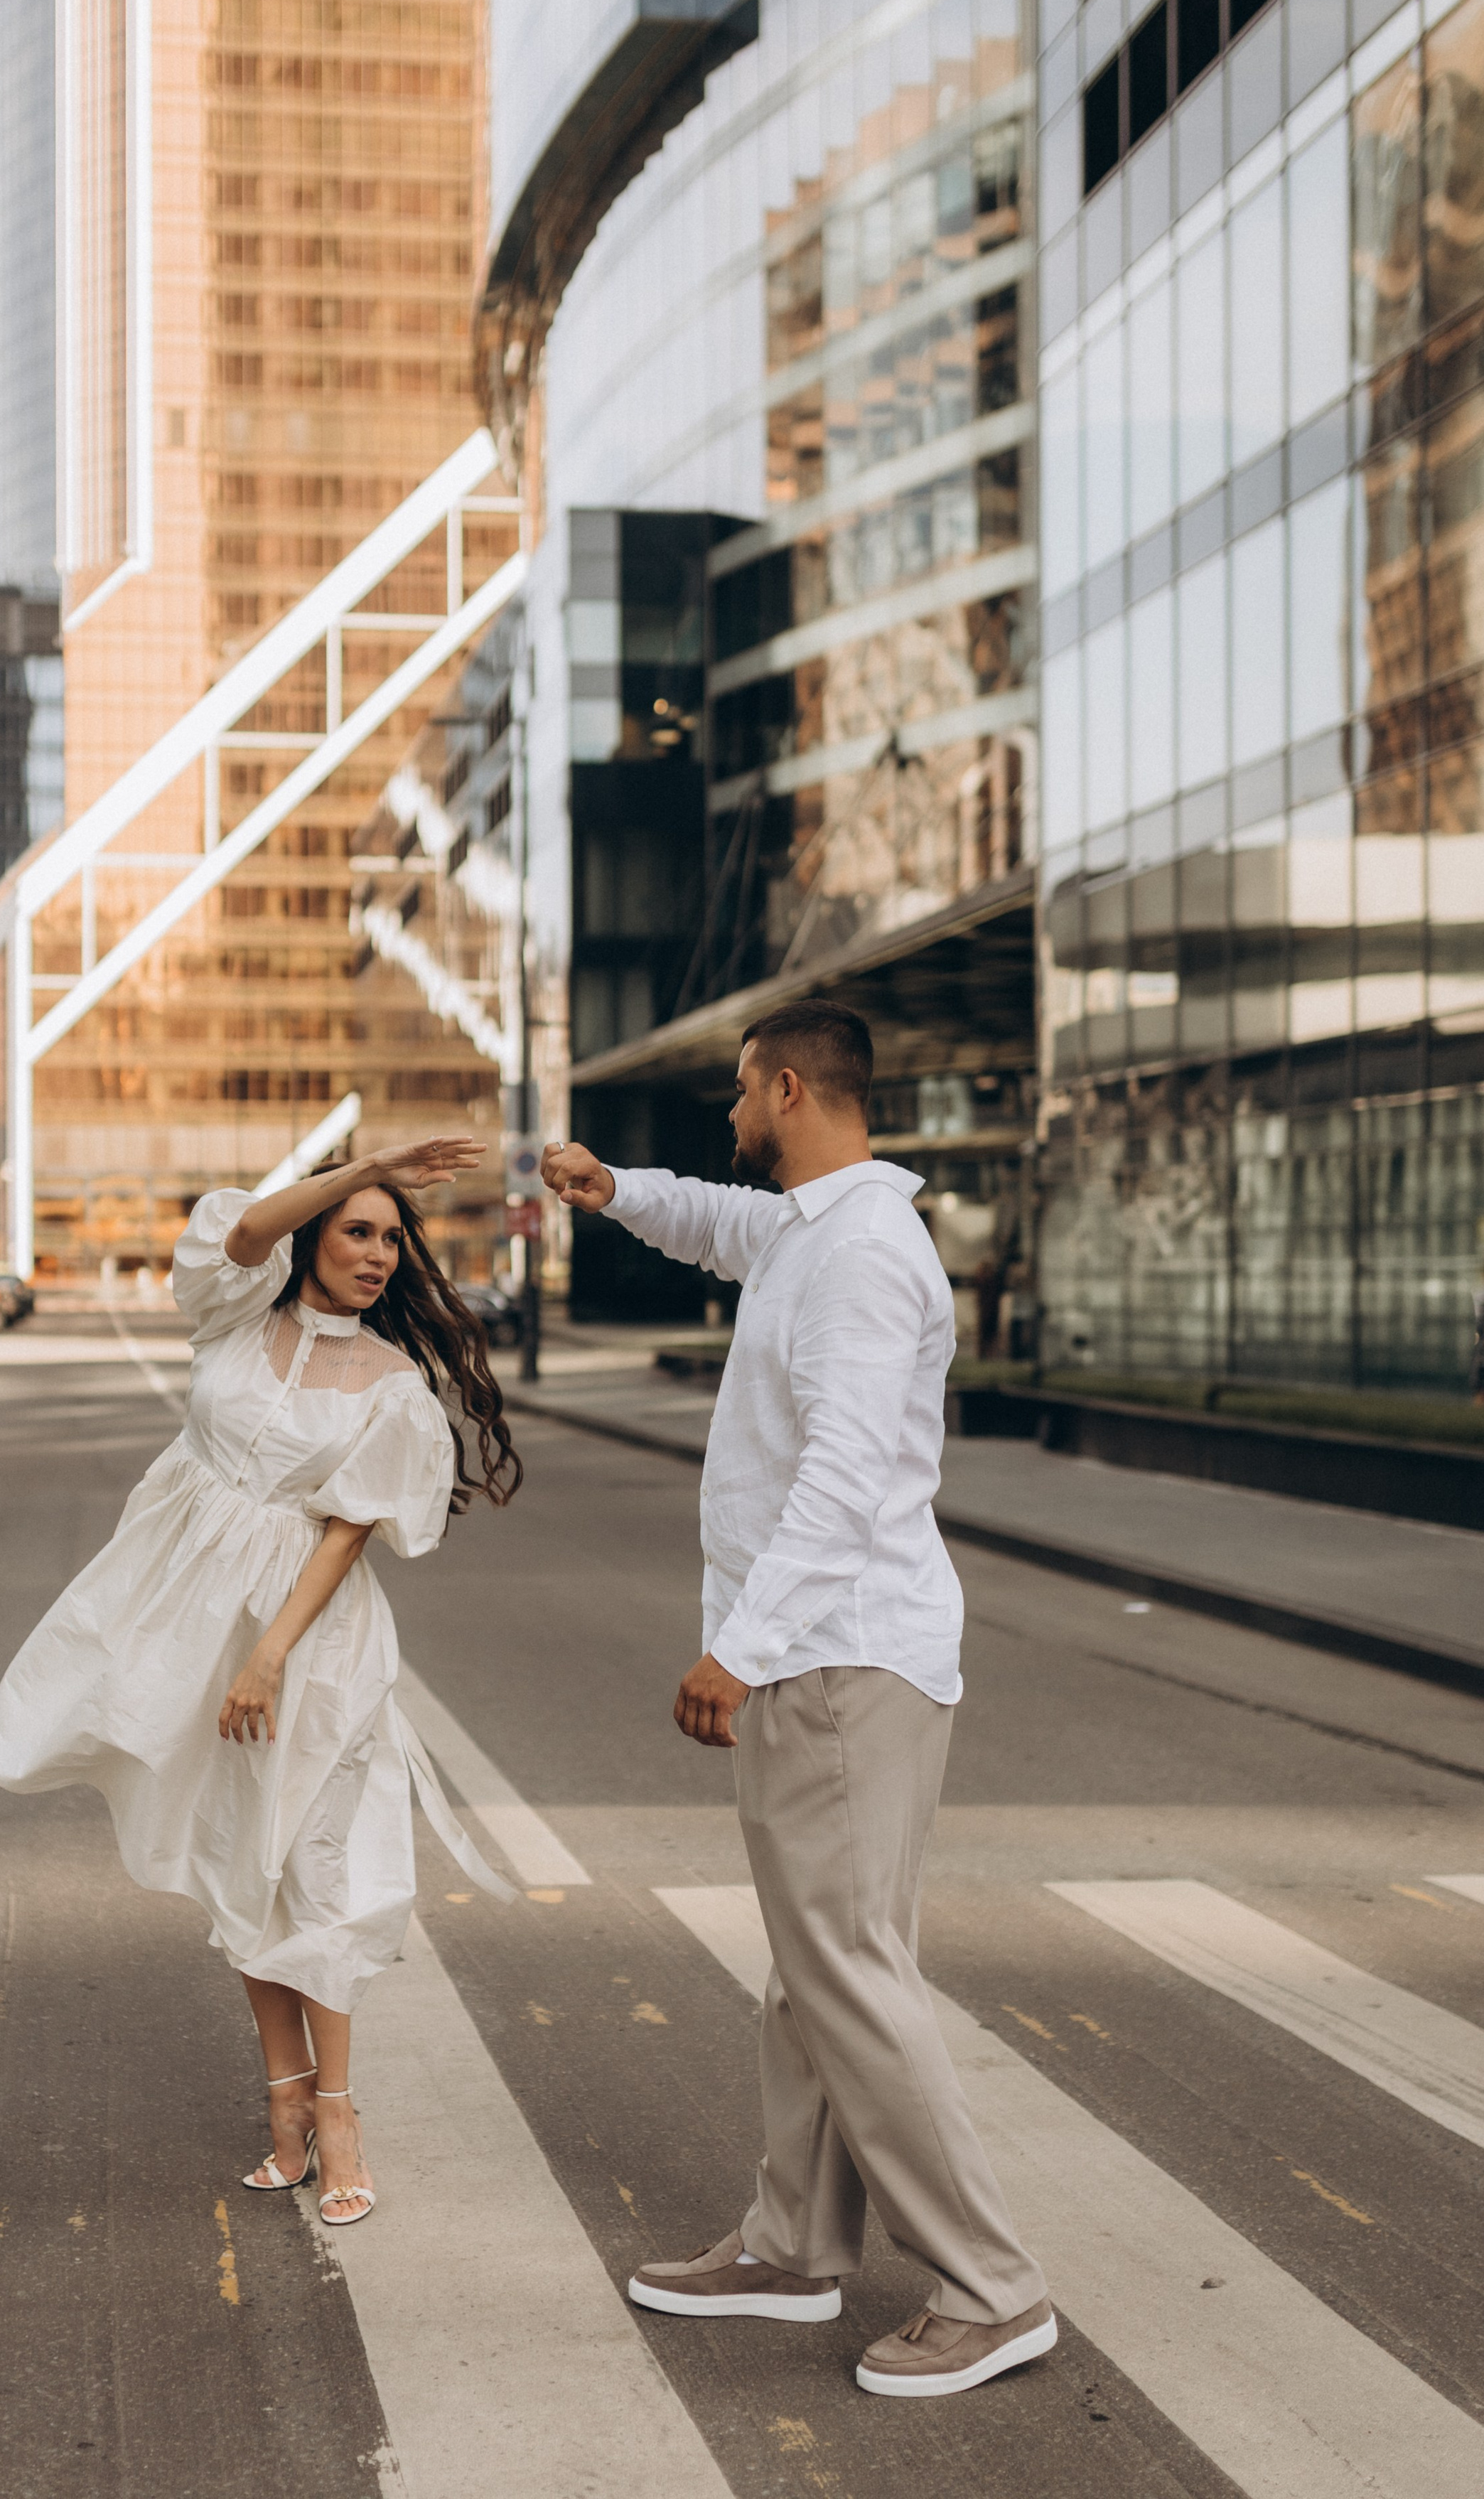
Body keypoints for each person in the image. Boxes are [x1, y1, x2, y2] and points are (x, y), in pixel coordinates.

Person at [542, 1002, 1055, 2399]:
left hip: (830, 1658)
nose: (724, 1117)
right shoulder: (809, 1229)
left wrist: (742, 1647)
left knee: (845, 1971)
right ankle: (789, 2247)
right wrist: (613, 1191)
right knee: (815, 1971)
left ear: (783, 1086)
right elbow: (714, 1220)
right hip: (832, 1653)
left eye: (732, 1095)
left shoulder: (862, 1258)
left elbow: (842, 1475)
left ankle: (990, 2288)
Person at [0, 1139, 520, 2228]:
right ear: (313, 1232)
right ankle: (283, 2106)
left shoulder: (393, 1384)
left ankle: (339, 2116)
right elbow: (239, 1233)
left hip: (310, 1643)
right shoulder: (234, 1316)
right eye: (357, 1230)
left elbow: (347, 1531)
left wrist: (270, 1655)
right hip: (194, 1630)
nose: (378, 1254)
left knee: (315, 1866)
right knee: (246, 1866)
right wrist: (366, 1162)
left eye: (389, 1236)